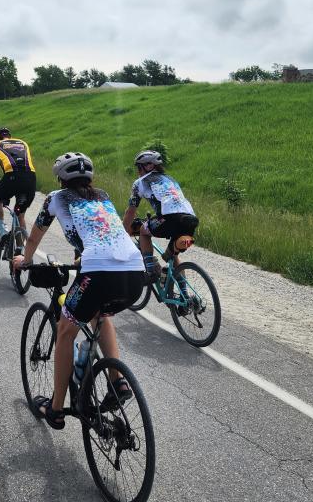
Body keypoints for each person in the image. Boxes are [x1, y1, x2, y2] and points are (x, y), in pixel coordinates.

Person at [13, 152, 145, 429]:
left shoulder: (55, 198)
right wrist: (83, 259)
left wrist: (24, 261)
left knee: (65, 330)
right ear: (90, 178)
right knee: (101, 313)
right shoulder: (102, 196)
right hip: (135, 273)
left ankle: (56, 408)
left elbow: (35, 234)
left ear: (61, 179)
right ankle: (117, 381)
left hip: (97, 274)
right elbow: (102, 233)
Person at [122, 150, 198, 280]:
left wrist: (122, 233)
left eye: (139, 167)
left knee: (143, 231)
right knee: (171, 256)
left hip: (170, 218)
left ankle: (151, 272)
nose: (138, 171)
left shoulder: (140, 182)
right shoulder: (170, 179)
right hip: (190, 220)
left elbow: (131, 211)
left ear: (148, 166)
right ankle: (185, 294)